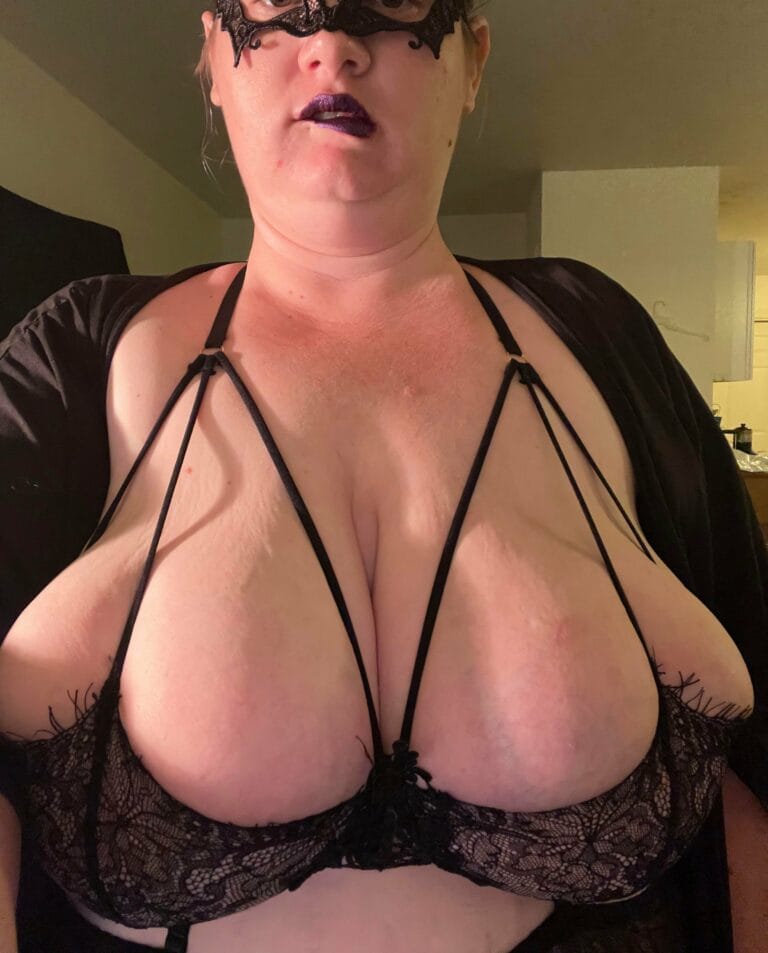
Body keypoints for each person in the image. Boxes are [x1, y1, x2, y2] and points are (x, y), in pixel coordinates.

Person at [0, 2, 766, 951]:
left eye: (393, 2)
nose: (332, 45)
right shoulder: (75, 359)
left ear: (472, 59)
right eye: (279, 9)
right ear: (213, 54)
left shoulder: (597, 337)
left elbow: (751, 759)